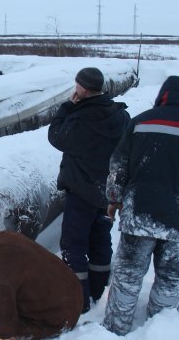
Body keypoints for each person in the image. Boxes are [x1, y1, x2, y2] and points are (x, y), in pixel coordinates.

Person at [103, 75, 179, 336]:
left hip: (140, 216)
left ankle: (114, 330)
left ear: (162, 96)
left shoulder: (141, 122)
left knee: (128, 275)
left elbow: (118, 167)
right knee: (169, 277)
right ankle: (160, 331)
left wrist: (114, 198)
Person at [47, 67, 130, 313]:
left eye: (77, 85)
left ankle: (79, 300)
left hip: (81, 192)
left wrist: (66, 107)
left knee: (74, 244)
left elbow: (56, 137)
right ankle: (98, 290)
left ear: (82, 88)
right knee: (101, 239)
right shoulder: (121, 116)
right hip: (108, 193)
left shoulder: (80, 118)